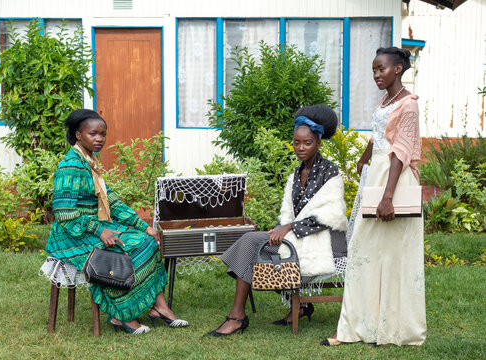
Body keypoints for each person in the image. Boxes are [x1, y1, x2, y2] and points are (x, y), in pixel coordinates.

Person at [204, 105, 348, 337]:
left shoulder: (329, 172)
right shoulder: (296, 173)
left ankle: (237, 317)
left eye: (307, 143)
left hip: (328, 241)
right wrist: (283, 225)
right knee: (253, 243)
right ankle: (266, 311)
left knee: (253, 244)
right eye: (296, 142)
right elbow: (290, 213)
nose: (300, 148)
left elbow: (330, 216)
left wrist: (289, 227)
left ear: (318, 143)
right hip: (299, 237)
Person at [45, 109, 188, 335]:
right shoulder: (71, 165)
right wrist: (100, 230)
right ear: (78, 135)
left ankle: (158, 307)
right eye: (93, 133)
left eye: (103, 134)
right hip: (70, 235)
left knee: (148, 241)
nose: (99, 138)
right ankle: (122, 314)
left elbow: (112, 202)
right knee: (126, 248)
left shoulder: (89, 162)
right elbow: (63, 212)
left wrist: (146, 227)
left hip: (89, 227)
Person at [321, 47, 426, 346]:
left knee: (395, 256)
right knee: (364, 253)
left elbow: (401, 152)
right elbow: (379, 134)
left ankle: (395, 330)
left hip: (393, 180)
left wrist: (387, 197)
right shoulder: (386, 100)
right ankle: (358, 327)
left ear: (398, 69)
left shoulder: (409, 105)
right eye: (373, 70)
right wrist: (365, 156)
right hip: (377, 175)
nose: (376, 74)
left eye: (381, 69)